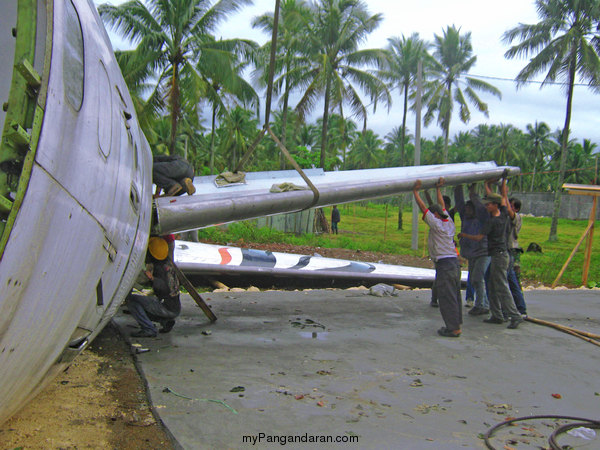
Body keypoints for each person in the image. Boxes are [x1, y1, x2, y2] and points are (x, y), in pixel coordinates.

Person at [458, 178, 523, 329]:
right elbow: (503, 198)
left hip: (500, 256)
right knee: (492, 286)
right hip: (497, 255)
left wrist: (464, 235)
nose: (486, 206)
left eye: (488, 204)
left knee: (501, 286)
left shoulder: (492, 222)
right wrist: (492, 184)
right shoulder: (504, 213)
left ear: (494, 206)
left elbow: (479, 237)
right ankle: (497, 315)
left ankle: (515, 315)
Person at [413, 178, 462, 338]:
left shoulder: (437, 225)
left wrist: (415, 192)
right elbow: (441, 205)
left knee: (446, 297)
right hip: (454, 263)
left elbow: (423, 208)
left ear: (434, 215)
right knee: (454, 294)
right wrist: (438, 188)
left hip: (445, 265)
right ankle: (456, 324)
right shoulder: (448, 221)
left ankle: (453, 328)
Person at [126, 236, 181, 337]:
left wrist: (152, 279)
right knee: (143, 304)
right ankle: (165, 321)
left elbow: (164, 287)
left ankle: (148, 329)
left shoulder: (159, 269)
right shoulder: (168, 264)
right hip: (175, 306)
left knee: (132, 301)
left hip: (167, 307)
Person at [454, 184, 490, 316]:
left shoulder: (481, 217)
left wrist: (472, 193)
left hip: (483, 252)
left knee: (478, 278)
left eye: (470, 208)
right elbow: (459, 202)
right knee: (475, 279)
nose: (467, 210)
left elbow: (479, 206)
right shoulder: (465, 216)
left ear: (474, 210)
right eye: (466, 208)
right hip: (473, 254)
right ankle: (484, 303)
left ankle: (482, 305)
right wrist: (457, 186)